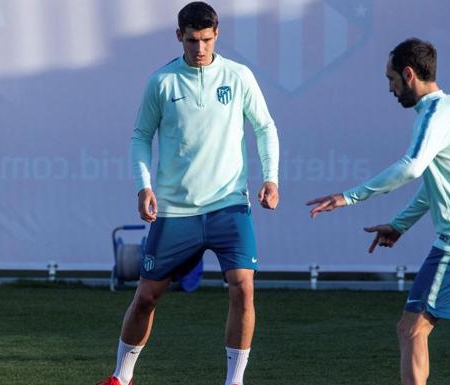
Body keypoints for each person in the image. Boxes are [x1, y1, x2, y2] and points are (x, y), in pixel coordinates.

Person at [307, 38, 450, 385]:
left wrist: (350, 197)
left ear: (409, 74)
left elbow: (412, 167)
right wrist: (400, 225)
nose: (390, 88)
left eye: (392, 79)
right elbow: (436, 186)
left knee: (411, 329)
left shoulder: (434, 114)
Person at [99, 2, 279, 384]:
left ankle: (235, 380)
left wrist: (271, 177)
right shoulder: (161, 82)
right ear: (179, 35)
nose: (200, 48)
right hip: (175, 210)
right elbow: (140, 137)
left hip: (230, 205)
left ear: (217, 35)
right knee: (147, 297)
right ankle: (121, 376)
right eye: (193, 40)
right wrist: (143, 186)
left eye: (208, 40)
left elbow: (264, 127)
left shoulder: (239, 75)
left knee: (243, 289)